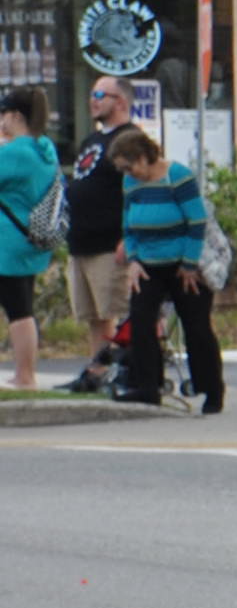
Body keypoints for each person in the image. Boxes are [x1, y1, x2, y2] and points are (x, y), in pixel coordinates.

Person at [106, 125, 221, 414]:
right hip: (148, 263)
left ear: (143, 157)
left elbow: (196, 220)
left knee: (196, 327)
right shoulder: (131, 184)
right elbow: (128, 226)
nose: (128, 173)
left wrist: (189, 263)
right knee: (141, 323)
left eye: (130, 166)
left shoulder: (177, 176)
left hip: (182, 264)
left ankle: (211, 389)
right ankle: (147, 386)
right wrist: (133, 259)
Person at [57, 74, 129, 391]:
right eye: (92, 94)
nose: (92, 100)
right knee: (94, 317)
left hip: (109, 244)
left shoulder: (129, 139)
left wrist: (129, 237)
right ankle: (96, 373)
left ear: (121, 101)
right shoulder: (91, 141)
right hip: (81, 242)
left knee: (115, 311)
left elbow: (136, 189)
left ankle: (123, 372)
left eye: (100, 95)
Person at [0, 86, 58, 389]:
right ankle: (25, 373)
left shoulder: (16, 152)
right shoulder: (44, 148)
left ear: (16, 116)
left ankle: (25, 376)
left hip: (7, 243)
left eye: (4, 114)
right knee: (23, 307)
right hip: (30, 239)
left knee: (18, 311)